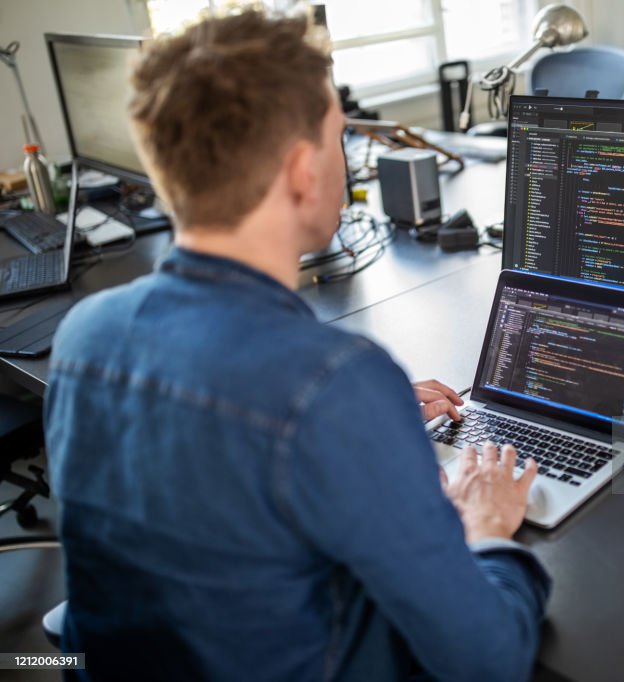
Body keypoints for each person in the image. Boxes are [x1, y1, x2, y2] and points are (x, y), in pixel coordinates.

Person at [44, 10, 549, 682]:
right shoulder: (333, 384)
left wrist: (355, 426)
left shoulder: (84, 333)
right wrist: (487, 530)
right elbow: (489, 660)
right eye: (340, 136)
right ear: (302, 170)